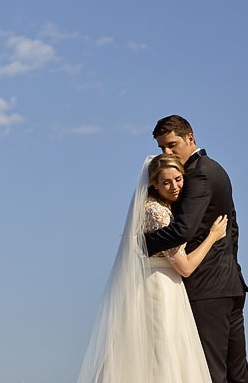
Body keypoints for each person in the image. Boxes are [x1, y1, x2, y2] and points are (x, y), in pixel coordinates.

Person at [77, 153, 228, 382]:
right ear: (154, 185)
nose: (174, 186)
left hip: (160, 283)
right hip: (160, 288)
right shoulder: (156, 212)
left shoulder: (158, 208)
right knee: (162, 351)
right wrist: (212, 237)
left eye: (178, 179)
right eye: (166, 182)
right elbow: (185, 267)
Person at [144, 115, 248, 382]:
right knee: (238, 373)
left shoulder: (198, 174)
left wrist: (140, 243)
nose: (167, 153)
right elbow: (233, 230)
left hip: (206, 288)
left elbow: (184, 230)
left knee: (209, 371)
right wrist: (229, 269)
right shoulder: (217, 169)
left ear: (190, 138)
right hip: (230, 286)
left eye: (172, 145)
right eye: (162, 149)